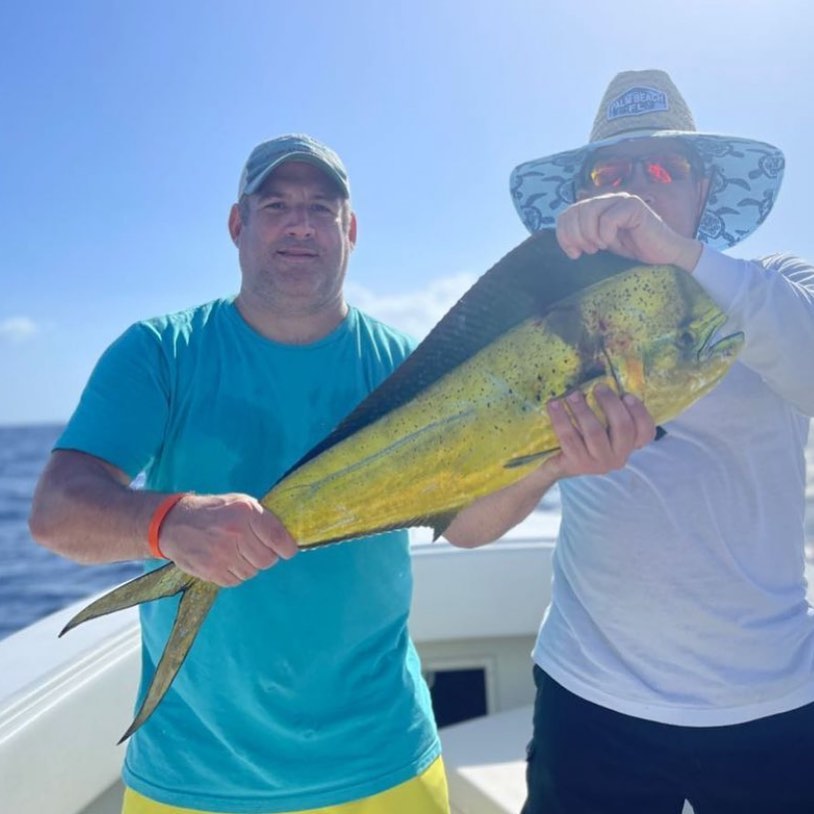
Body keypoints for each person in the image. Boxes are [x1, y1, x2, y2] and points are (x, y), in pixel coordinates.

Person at [28, 133, 653, 814]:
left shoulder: (409, 366)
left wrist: (551, 463)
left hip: (383, 765)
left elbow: (468, 522)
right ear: (239, 224)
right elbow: (57, 512)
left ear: (349, 231)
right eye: (276, 205)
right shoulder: (161, 352)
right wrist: (167, 523)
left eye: (321, 209)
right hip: (192, 779)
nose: (299, 224)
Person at [490, 68, 814, 813]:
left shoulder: (773, 283)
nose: (636, 188)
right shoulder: (550, 327)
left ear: (704, 192)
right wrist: (547, 468)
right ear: (583, 197)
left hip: (770, 705)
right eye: (612, 172)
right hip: (590, 699)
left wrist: (681, 256)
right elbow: (480, 502)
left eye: (665, 168)